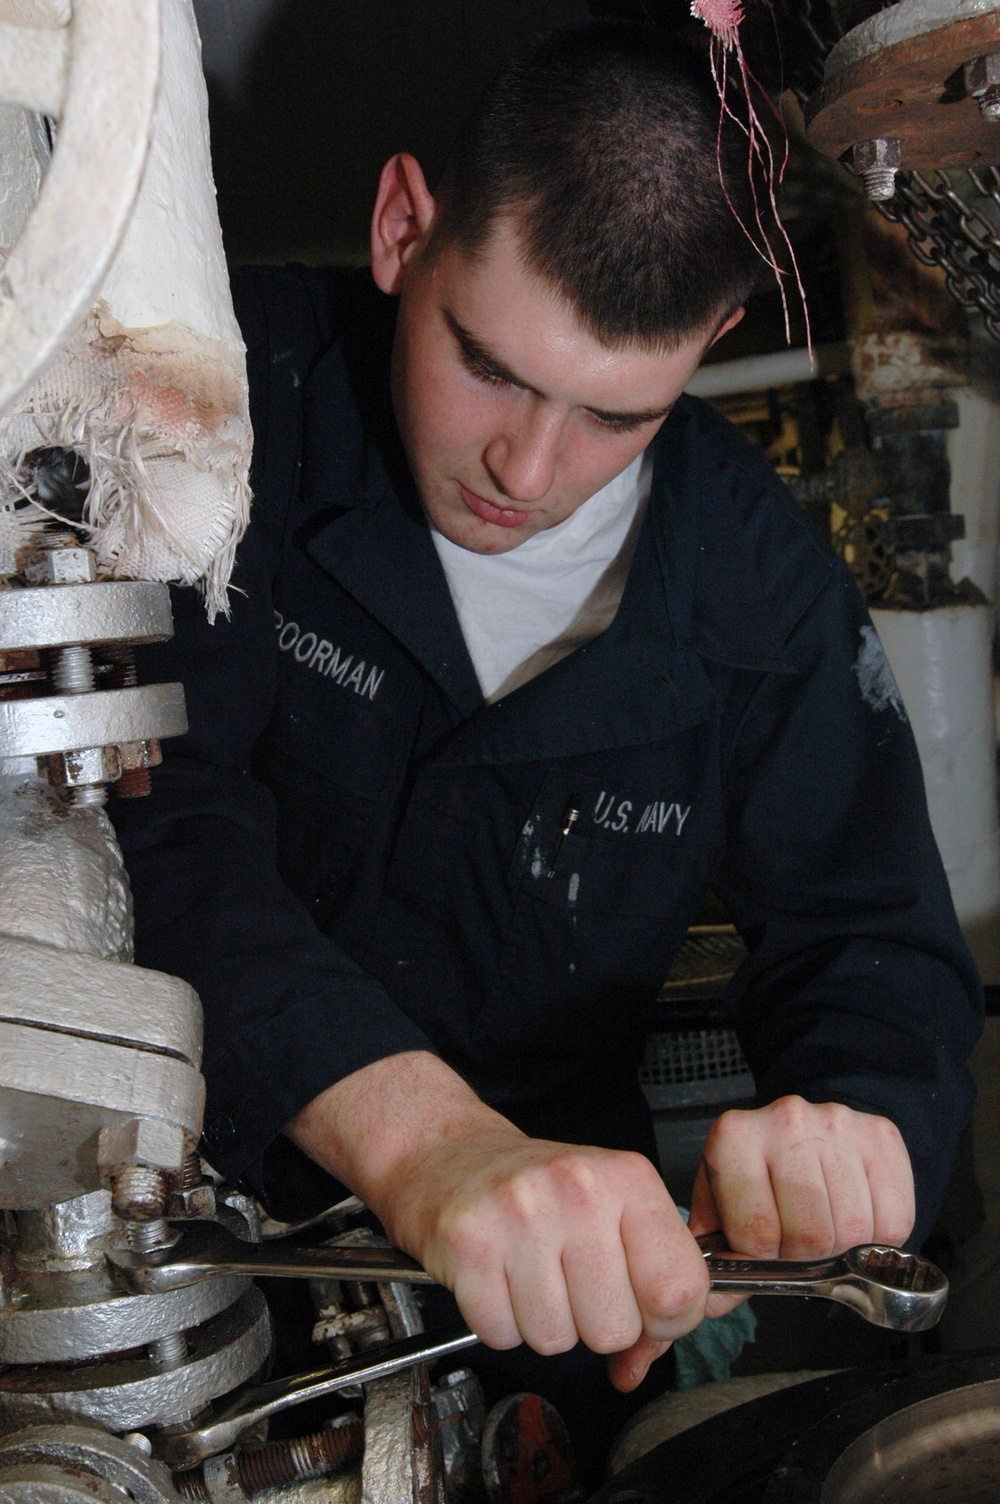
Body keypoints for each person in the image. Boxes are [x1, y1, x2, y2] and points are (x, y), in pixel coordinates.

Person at [114, 17, 981, 1479]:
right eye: (490, 367)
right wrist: (430, 1147)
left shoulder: (754, 585)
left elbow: (870, 945)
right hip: (184, 1230)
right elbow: (161, 820)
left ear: (706, 347)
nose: (529, 470)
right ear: (403, 229)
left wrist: (861, 1131)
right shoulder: (217, 399)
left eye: (613, 418)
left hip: (543, 1301)